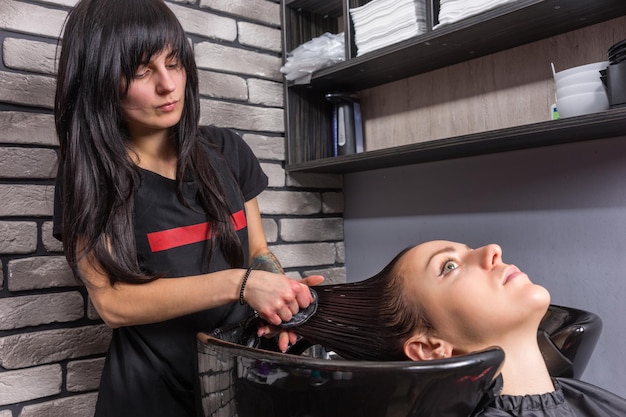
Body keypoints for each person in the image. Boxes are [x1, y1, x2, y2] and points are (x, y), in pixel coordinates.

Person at [52, 0, 323, 416]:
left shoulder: (227, 149)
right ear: (100, 80)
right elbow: (113, 303)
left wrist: (282, 300)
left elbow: (258, 254)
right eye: (142, 71)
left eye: (175, 62)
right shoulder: (89, 176)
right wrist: (242, 284)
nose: (168, 85)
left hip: (234, 382)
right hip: (148, 394)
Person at [289, 240, 626, 416]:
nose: (492, 251)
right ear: (431, 348)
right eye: (449, 266)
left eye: (467, 251)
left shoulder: (586, 400)